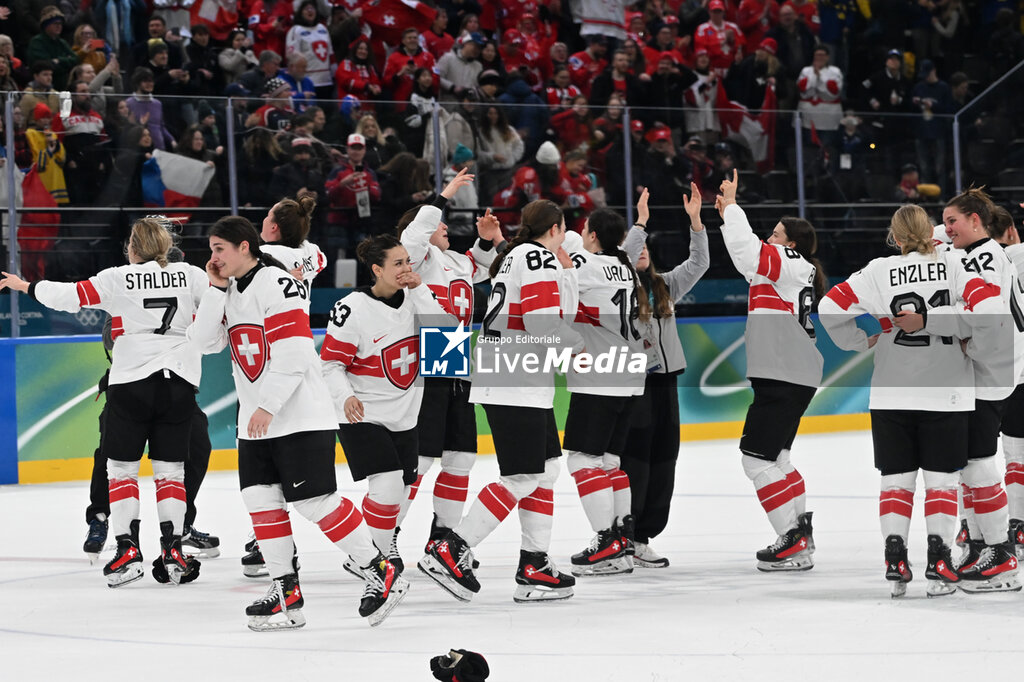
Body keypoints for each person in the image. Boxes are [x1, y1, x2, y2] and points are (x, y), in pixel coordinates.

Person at [190, 215, 408, 629]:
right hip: (258, 421)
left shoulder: (277, 283)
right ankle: (285, 592)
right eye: (211, 249)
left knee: (314, 501)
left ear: (244, 247)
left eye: (219, 249)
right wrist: (215, 289)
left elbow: (293, 352)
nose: (213, 257)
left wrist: (268, 405)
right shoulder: (229, 289)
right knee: (260, 501)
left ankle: (381, 571)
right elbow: (203, 343)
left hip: (300, 415)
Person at [1, 218, 210, 587]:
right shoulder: (191, 275)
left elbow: (69, 297)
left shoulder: (119, 277)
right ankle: (173, 551)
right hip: (178, 382)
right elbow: (221, 306)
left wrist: (26, 286)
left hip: (131, 384)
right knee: (171, 473)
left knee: (122, 471)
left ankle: (128, 550)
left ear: (133, 247)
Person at [419, 199, 579, 604]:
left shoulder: (517, 257)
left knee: (546, 469)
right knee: (523, 476)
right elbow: (542, 322)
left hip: (515, 376)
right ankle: (452, 547)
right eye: (563, 229)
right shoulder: (539, 258)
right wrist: (579, 346)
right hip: (516, 378)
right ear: (555, 229)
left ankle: (534, 563)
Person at [819, 204, 972, 598]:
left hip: (891, 391)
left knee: (896, 481)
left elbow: (829, 306)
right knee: (941, 482)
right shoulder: (955, 264)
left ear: (896, 237)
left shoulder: (877, 270)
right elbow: (981, 314)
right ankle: (939, 563)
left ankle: (895, 560)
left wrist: (859, 340)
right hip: (947, 388)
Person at [892, 189, 1024, 592]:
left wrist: (935, 325)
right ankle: (982, 543)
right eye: (944, 221)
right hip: (994, 369)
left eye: (953, 221)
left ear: (975, 220)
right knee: (969, 462)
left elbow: (987, 315)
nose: (946, 229)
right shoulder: (980, 252)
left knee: (978, 462)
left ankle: (1001, 555)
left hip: (988, 371)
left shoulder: (982, 257)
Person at [320, 232, 457, 574]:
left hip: (406, 414)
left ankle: (368, 550)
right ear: (377, 270)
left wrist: (420, 291)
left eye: (407, 261)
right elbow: (331, 364)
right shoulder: (352, 308)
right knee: (387, 484)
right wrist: (345, 395)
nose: (406, 268)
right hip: (362, 412)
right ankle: (376, 561)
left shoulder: (417, 297)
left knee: (402, 488)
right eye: (398, 263)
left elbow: (448, 341)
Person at [82, 241, 219, 566]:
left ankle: (181, 524)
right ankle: (100, 517)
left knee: (197, 447)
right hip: (129, 384)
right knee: (110, 453)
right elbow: (109, 336)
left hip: (173, 386)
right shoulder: (127, 289)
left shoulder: (192, 293)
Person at [717, 169, 824, 572]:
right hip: (791, 372)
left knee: (756, 459)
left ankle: (791, 538)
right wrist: (725, 218)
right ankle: (799, 533)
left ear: (791, 244)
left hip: (783, 372)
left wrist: (732, 207)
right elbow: (745, 257)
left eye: (776, 234)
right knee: (778, 457)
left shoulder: (788, 261)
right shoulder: (783, 270)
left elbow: (749, 249)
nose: (769, 238)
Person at [396, 170, 502, 555]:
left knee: (461, 458)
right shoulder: (416, 259)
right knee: (420, 460)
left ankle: (442, 538)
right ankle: (383, 539)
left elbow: (485, 265)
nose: (445, 227)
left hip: (457, 359)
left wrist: (486, 238)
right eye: (438, 223)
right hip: (426, 359)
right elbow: (412, 238)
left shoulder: (456, 261)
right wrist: (442, 196)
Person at [619, 185, 710, 568]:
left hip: (666, 384)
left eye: (645, 246)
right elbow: (620, 257)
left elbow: (699, 263)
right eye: (635, 247)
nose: (641, 250)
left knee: (664, 460)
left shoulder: (665, 285)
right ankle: (623, 533)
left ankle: (643, 536)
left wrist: (696, 223)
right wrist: (640, 222)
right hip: (635, 385)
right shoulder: (617, 286)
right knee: (635, 460)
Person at [561, 205, 648, 577]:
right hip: (630, 375)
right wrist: (640, 224)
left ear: (592, 235)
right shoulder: (625, 267)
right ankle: (622, 540)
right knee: (610, 461)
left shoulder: (584, 263)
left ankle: (605, 540)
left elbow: (556, 267)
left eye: (585, 229)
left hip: (599, 374)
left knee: (582, 460)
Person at [285, 0, 334, 101]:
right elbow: (292, 57)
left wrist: (334, 73)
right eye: (306, 9)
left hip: (326, 80)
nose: (310, 11)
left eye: (312, 8)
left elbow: (330, 53)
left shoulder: (322, 28)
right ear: (300, 12)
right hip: (308, 81)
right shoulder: (296, 30)